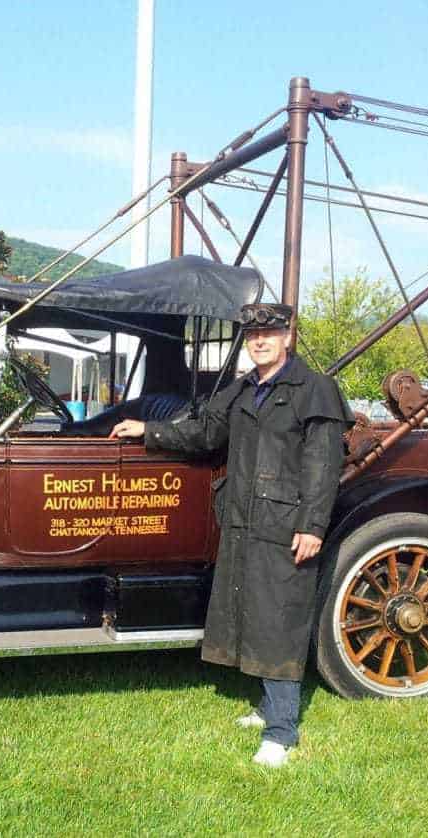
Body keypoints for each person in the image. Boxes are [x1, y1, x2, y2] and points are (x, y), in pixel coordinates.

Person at [111, 302, 354, 767]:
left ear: (287, 336)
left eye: (270, 333)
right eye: (253, 335)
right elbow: (204, 433)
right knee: (252, 611)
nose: (260, 341)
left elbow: (323, 465)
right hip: (243, 520)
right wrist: (148, 430)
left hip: (286, 523)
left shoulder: (314, 390)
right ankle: (266, 709)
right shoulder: (244, 390)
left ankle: (282, 732)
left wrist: (311, 525)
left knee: (280, 618)